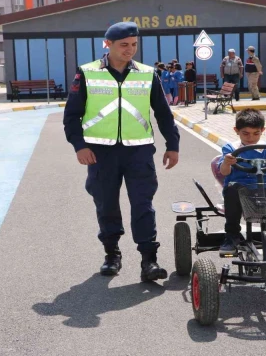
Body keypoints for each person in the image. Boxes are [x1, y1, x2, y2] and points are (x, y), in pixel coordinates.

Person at [62, 21, 180, 282]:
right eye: (124, 45)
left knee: (143, 205)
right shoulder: (87, 73)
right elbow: (71, 116)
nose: (130, 50)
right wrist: (79, 146)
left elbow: (163, 114)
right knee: (106, 204)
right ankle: (112, 254)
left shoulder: (148, 74)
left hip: (138, 152)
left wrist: (173, 145)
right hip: (100, 153)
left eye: (134, 45)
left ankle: (149, 260)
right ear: (108, 44)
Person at [216, 109, 266, 270]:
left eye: (255, 134)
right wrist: (227, 163)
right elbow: (224, 172)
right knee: (231, 188)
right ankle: (232, 235)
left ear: (262, 131)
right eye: (245, 134)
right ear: (236, 131)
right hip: (240, 190)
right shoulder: (231, 148)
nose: (251, 138)